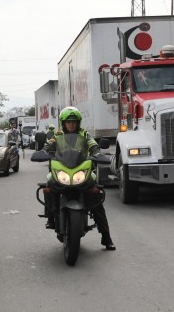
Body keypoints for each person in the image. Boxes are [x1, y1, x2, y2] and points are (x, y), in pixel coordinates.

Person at [44, 106, 116, 250]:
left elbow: (93, 146)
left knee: (96, 197)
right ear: (63, 123)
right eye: (68, 122)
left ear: (78, 123)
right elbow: (47, 148)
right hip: (63, 170)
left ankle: (106, 237)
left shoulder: (85, 135)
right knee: (49, 183)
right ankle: (51, 216)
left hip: (81, 170)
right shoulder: (57, 136)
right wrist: (43, 153)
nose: (71, 124)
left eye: (74, 121)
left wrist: (97, 153)